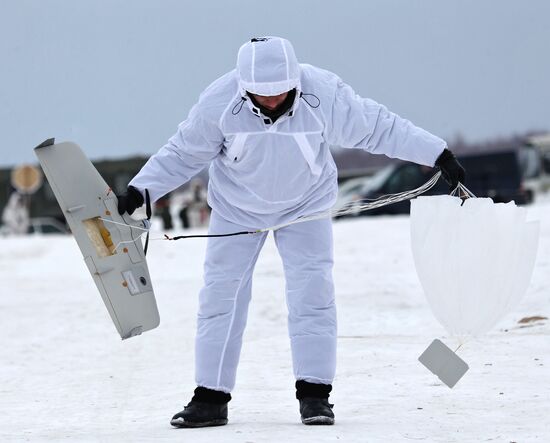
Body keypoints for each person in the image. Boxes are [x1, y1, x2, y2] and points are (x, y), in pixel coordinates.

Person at [117, 36, 465, 427]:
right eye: (261, 95)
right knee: (221, 296)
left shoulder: (324, 94)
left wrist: (436, 153)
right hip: (237, 210)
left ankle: (315, 395)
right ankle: (210, 397)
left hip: (306, 207)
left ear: (295, 81)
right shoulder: (219, 102)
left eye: (280, 92)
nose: (271, 101)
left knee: (312, 294)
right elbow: (183, 153)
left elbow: (379, 127)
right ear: (243, 86)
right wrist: (141, 189)